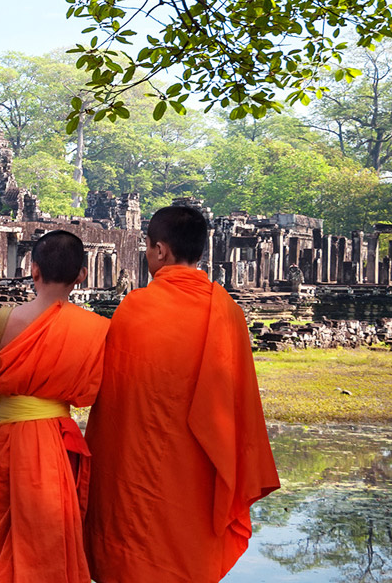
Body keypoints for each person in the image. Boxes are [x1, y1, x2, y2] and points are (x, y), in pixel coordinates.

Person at [85, 206, 281, 583]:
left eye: (146, 246)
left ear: (160, 250)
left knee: (134, 551)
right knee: (187, 551)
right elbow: (236, 402)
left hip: (136, 471)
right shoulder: (228, 311)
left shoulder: (134, 308)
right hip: (200, 471)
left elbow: (112, 400)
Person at [0, 230, 111, 583]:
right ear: (82, 275)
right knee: (50, 538)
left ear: (33, 270)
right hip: (55, 444)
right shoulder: (95, 329)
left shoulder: (0, 321)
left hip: (3, 442)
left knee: (4, 538)